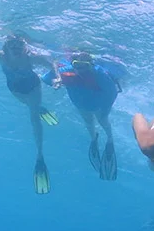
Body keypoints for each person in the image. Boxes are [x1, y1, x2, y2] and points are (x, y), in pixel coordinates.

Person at [0, 35, 61, 194]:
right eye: (13, 46)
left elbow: (51, 63)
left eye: (19, 46)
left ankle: (40, 155)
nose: (16, 49)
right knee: (32, 107)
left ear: (25, 47)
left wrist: (57, 77)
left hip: (32, 88)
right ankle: (38, 108)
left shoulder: (31, 57)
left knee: (33, 117)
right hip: (15, 90)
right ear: (6, 47)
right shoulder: (0, 56)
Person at [44, 52, 121, 180]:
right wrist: (55, 81)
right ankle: (93, 138)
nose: (80, 69)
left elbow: (112, 93)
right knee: (88, 121)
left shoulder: (100, 75)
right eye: (77, 65)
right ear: (72, 64)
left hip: (98, 104)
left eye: (84, 66)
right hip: (80, 103)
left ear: (91, 65)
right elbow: (46, 77)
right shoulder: (65, 71)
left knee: (102, 120)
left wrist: (105, 110)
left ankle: (109, 138)